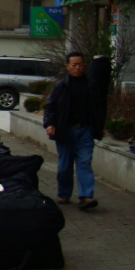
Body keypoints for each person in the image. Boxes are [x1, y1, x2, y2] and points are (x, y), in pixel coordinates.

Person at [43, 51, 107, 210]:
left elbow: (98, 108)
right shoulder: (61, 87)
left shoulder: (91, 86)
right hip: (66, 131)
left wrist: (99, 126)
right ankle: (64, 193)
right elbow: (50, 106)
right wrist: (49, 124)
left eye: (80, 65)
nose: (78, 68)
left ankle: (86, 196)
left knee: (84, 162)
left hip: (85, 130)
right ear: (67, 66)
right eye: (74, 65)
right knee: (65, 165)